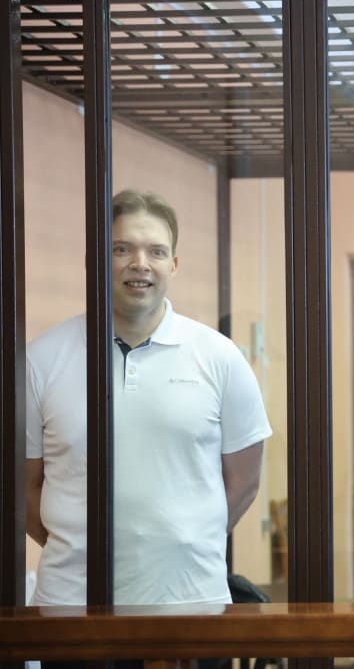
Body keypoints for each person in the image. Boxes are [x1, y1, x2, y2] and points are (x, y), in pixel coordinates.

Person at [25, 188, 271, 607]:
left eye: (156, 251)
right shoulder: (42, 358)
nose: (141, 264)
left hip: (191, 606)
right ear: (96, 261)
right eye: (122, 249)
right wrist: (79, 548)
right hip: (72, 610)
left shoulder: (219, 357)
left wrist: (186, 540)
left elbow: (244, 482)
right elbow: (22, 485)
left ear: (173, 265)